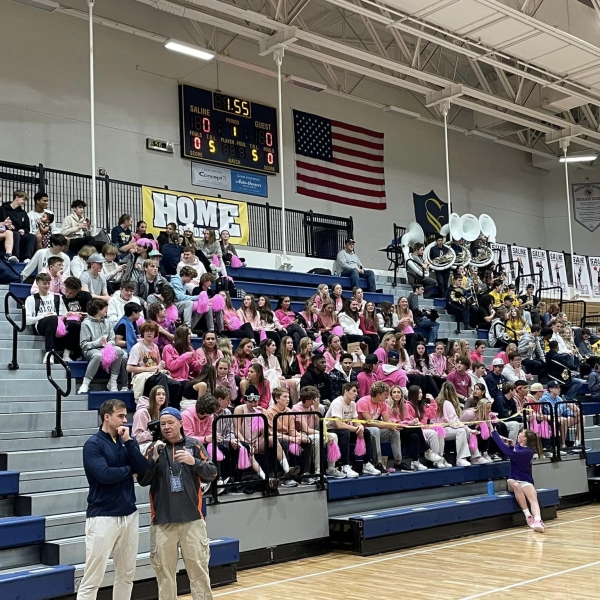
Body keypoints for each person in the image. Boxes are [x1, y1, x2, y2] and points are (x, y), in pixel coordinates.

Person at [138, 406, 217, 600]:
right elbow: (143, 480)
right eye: (163, 423)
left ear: (180, 423)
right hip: (163, 522)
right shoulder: (154, 448)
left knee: (199, 573)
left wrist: (194, 462)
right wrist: (153, 460)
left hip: (192, 521)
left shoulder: (194, 445)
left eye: (170, 423)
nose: (166, 427)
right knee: (165, 576)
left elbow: (212, 473)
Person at [76, 399, 149, 600]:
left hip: (129, 514)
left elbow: (144, 470)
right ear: (107, 417)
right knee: (93, 578)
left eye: (126, 416)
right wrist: (129, 471)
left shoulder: (124, 441)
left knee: (126, 575)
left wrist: (131, 442)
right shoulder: (93, 444)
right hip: (103, 516)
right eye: (121, 416)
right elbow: (104, 475)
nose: (125, 420)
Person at [492, 429, 545, 532]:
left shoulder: (527, 451)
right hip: (513, 479)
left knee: (533, 498)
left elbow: (507, 452)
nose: (519, 434)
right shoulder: (520, 448)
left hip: (525, 480)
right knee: (516, 486)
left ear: (524, 438)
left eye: (521, 433)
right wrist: (512, 445)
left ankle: (538, 520)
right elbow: (513, 451)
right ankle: (528, 516)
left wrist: (495, 434)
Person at [263, 387, 312, 485]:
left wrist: (301, 436)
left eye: (288, 397)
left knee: (308, 440)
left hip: (288, 436)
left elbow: (292, 431)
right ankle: (285, 477)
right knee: (284, 442)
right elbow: (272, 433)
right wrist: (292, 438)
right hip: (275, 438)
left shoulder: (289, 411)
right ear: (277, 399)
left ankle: (305, 474)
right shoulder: (269, 412)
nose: (288, 399)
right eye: (285, 397)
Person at [79, 299, 127, 394]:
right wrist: (98, 343)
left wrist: (109, 344)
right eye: (105, 308)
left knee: (119, 351)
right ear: (98, 309)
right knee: (98, 355)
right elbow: (83, 344)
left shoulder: (107, 322)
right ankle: (85, 383)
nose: (106, 310)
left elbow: (112, 338)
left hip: (106, 348)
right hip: (91, 350)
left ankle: (112, 381)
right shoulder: (86, 323)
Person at [432, 382, 485, 466]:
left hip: (441, 428)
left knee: (465, 430)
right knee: (462, 431)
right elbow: (454, 422)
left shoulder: (437, 401)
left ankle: (475, 456)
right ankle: (461, 458)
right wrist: (469, 429)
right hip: (440, 429)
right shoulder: (447, 403)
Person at [356, 381, 403, 473]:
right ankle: (378, 463)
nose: (386, 397)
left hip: (374, 430)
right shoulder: (363, 401)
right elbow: (370, 423)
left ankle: (398, 461)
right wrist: (390, 425)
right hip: (362, 430)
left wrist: (393, 426)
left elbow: (387, 420)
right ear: (378, 394)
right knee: (376, 429)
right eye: (385, 394)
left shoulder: (383, 403)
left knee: (394, 431)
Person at [25, 272, 69, 364]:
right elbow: (27, 320)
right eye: (44, 283)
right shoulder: (31, 299)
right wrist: (43, 316)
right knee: (52, 318)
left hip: (57, 323)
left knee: (74, 324)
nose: (47, 286)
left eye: (48, 283)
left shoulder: (57, 297)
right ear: (37, 283)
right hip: (40, 324)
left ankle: (68, 353)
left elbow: (64, 314)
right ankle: (49, 352)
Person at [0, 189, 36, 261]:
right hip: (7, 232)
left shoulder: (23, 213)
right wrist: (5, 225)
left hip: (19, 233)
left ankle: (27, 258)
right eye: (23, 199)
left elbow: (27, 228)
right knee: (15, 234)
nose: (24, 202)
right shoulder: (2, 209)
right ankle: (15, 256)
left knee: (31, 236)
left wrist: (23, 230)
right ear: (17, 198)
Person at [133, 385, 168, 450]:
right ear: (152, 396)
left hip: (155, 443)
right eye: (158, 394)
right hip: (142, 446)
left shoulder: (161, 412)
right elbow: (136, 437)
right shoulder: (142, 412)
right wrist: (153, 433)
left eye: (163, 394)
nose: (161, 397)